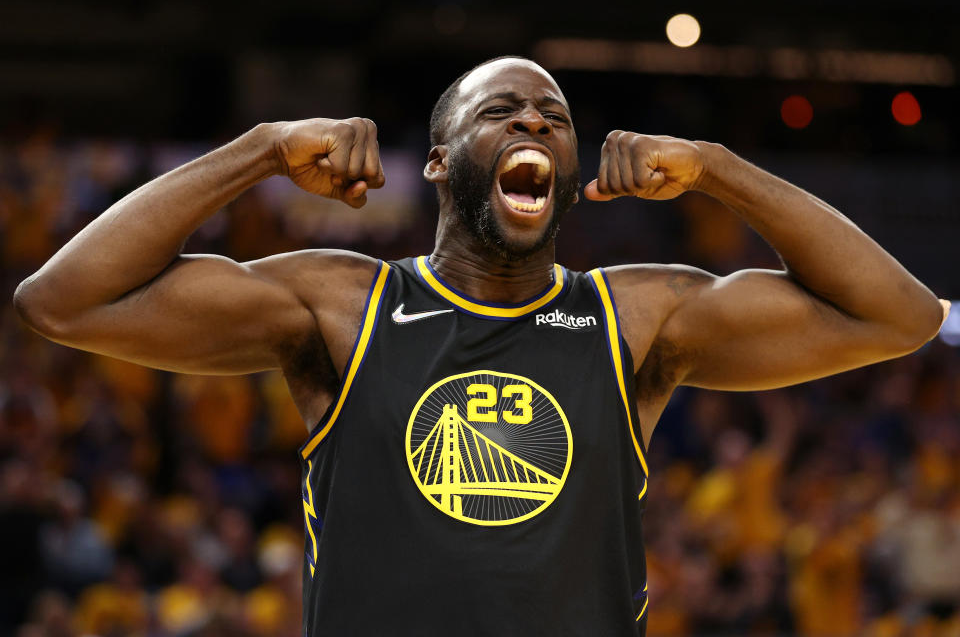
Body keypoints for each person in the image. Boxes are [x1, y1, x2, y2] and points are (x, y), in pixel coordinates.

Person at [13, 56, 949, 636]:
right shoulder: (341, 305)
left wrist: (719, 169)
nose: (535, 122)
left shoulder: (634, 319)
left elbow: (897, 317)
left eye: (553, 117)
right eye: (500, 112)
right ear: (436, 161)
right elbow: (62, 300)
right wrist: (260, 148)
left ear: (573, 175)